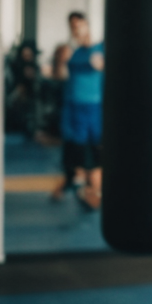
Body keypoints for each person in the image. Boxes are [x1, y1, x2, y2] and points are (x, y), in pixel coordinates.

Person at [50, 12, 104, 209]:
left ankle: (92, 193)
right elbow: (59, 75)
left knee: (96, 156)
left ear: (87, 25)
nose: (76, 29)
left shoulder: (100, 48)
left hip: (95, 108)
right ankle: (74, 187)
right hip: (73, 107)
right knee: (75, 156)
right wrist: (61, 62)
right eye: (72, 26)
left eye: (79, 25)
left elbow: (102, 65)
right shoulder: (68, 51)